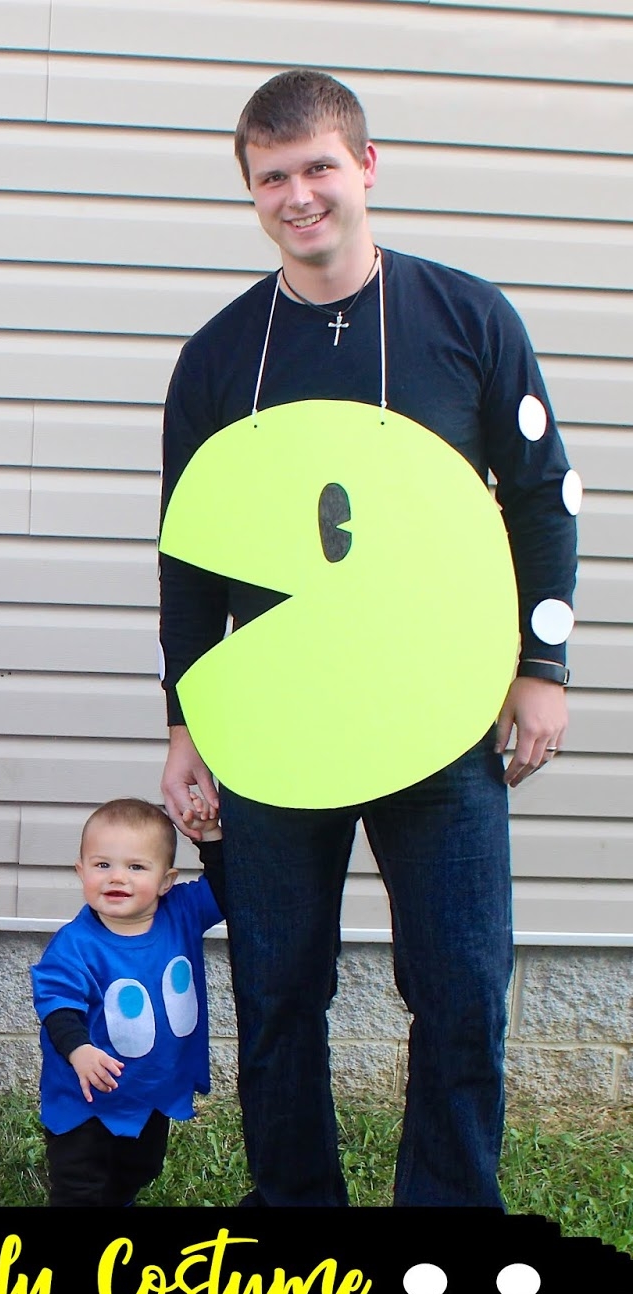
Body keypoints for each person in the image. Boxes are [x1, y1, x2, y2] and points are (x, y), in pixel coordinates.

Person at [158, 68, 577, 1230]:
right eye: (272, 177)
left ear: (367, 168)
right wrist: (185, 724)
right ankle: (296, 1222)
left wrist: (541, 668)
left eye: (319, 168)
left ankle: (447, 1229)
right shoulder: (219, 356)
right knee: (279, 987)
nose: (299, 196)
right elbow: (188, 556)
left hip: (435, 715)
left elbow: (542, 497)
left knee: (460, 987)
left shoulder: (468, 320)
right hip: (276, 725)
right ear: (250, 190)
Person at [31, 797, 223, 1208]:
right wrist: (79, 1050)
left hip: (151, 1087)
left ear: (166, 880)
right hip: (86, 1098)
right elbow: (58, 1004)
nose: (117, 877)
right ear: (81, 871)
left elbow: (228, 889)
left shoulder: (182, 913)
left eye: (136, 867)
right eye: (102, 865)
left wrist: (209, 837)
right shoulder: (75, 944)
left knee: (139, 1168)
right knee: (79, 1184)